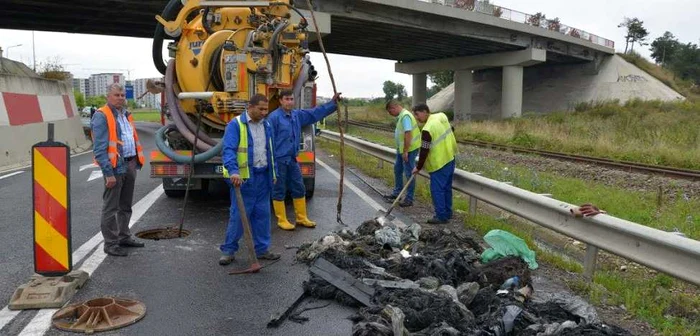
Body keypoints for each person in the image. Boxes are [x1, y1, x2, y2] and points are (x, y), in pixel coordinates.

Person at [267, 90, 342, 230]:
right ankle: (282, 220)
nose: (290, 102)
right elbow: (268, 142)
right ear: (280, 101)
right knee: (278, 189)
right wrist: (271, 164)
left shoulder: (297, 115)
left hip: (292, 159)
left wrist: (332, 104)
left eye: (291, 99)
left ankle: (301, 218)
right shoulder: (273, 118)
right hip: (278, 160)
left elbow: (315, 113)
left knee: (299, 187)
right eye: (287, 99)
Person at [219, 94, 280, 265]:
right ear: (250, 107)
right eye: (260, 109)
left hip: (263, 177)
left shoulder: (266, 125)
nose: (264, 112)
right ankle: (229, 251)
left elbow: (270, 151)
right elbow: (229, 150)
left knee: (262, 215)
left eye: (266, 109)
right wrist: (234, 171)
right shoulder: (236, 125)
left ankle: (262, 249)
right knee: (239, 216)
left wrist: (273, 173)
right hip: (244, 179)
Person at [91, 83, 146, 256]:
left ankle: (124, 236)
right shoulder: (102, 116)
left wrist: (135, 162)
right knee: (111, 208)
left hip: (130, 164)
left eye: (122, 95)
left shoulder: (126, 115)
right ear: (108, 96)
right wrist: (108, 173)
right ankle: (111, 244)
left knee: (126, 206)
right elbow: (99, 149)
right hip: (115, 167)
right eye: (117, 95)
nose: (121, 97)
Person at [411, 103, 458, 224]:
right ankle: (448, 212)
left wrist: (418, 167)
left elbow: (424, 150)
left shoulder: (427, 129)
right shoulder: (441, 116)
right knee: (447, 188)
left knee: (437, 190)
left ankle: (441, 216)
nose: (417, 118)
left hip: (439, 163)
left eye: (417, 114)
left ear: (425, 111)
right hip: (450, 158)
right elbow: (451, 129)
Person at [384, 100, 420, 207]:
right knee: (398, 169)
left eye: (390, 112)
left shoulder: (405, 116)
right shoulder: (402, 116)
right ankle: (397, 193)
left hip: (409, 149)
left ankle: (409, 198)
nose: (390, 114)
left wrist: (405, 151)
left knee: (409, 173)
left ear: (393, 108)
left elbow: (408, 133)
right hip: (402, 149)